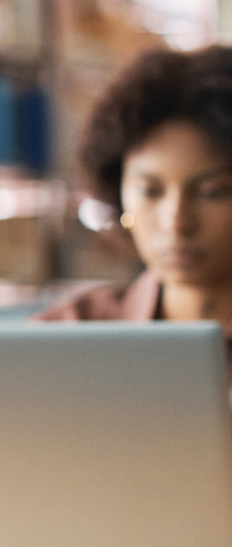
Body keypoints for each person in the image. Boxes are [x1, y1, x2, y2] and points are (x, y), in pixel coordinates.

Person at [36, 45, 232, 374]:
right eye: (150, 191)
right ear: (119, 193)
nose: (177, 222)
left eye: (213, 192)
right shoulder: (70, 333)